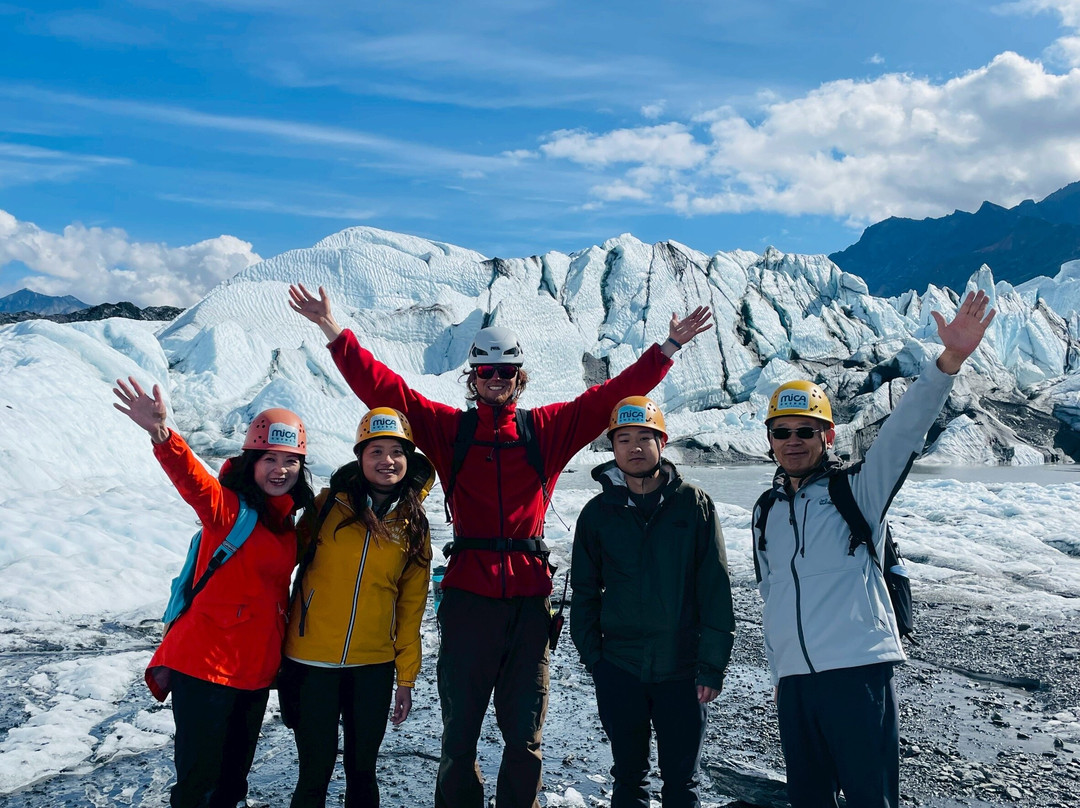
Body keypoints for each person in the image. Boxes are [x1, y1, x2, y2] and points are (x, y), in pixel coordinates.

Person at [288, 282, 713, 808]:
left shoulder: (546, 430)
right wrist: (333, 331)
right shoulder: (450, 432)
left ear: (519, 377)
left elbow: (608, 399)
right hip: (468, 599)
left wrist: (666, 349)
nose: (495, 380)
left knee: (524, 736)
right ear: (472, 378)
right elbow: (386, 390)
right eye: (485, 371)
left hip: (530, 606)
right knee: (459, 735)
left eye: (505, 371)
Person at [751, 289, 996, 808]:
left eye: (806, 431)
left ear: (828, 436)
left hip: (858, 675)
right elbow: (772, 594)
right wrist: (780, 673)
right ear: (770, 439)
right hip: (795, 685)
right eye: (782, 431)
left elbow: (904, 431)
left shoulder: (858, 491)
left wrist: (947, 362)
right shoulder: (765, 512)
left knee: (871, 800)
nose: (793, 440)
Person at [112, 378, 314, 808]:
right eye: (269, 459)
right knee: (197, 785)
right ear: (251, 462)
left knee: (232, 784)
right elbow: (192, 480)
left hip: (255, 673)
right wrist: (161, 434)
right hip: (206, 667)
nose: (280, 469)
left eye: (290, 461)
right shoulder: (227, 510)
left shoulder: (288, 529)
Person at [570, 396, 735, 808]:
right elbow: (584, 594)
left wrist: (711, 666)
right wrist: (597, 661)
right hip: (620, 667)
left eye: (645, 437)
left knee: (682, 782)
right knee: (628, 776)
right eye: (624, 439)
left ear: (662, 442)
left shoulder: (693, 505)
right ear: (613, 447)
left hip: (682, 669)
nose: (635, 447)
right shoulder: (597, 513)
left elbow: (715, 589)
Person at [280, 407, 435, 808]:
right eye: (376, 451)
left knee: (362, 771)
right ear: (359, 457)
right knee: (313, 773)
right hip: (310, 662)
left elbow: (411, 608)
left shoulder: (414, 523)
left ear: (408, 458)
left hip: (373, 666)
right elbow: (278, 563)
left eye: (397, 452)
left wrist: (407, 678)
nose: (387, 461)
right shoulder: (327, 506)